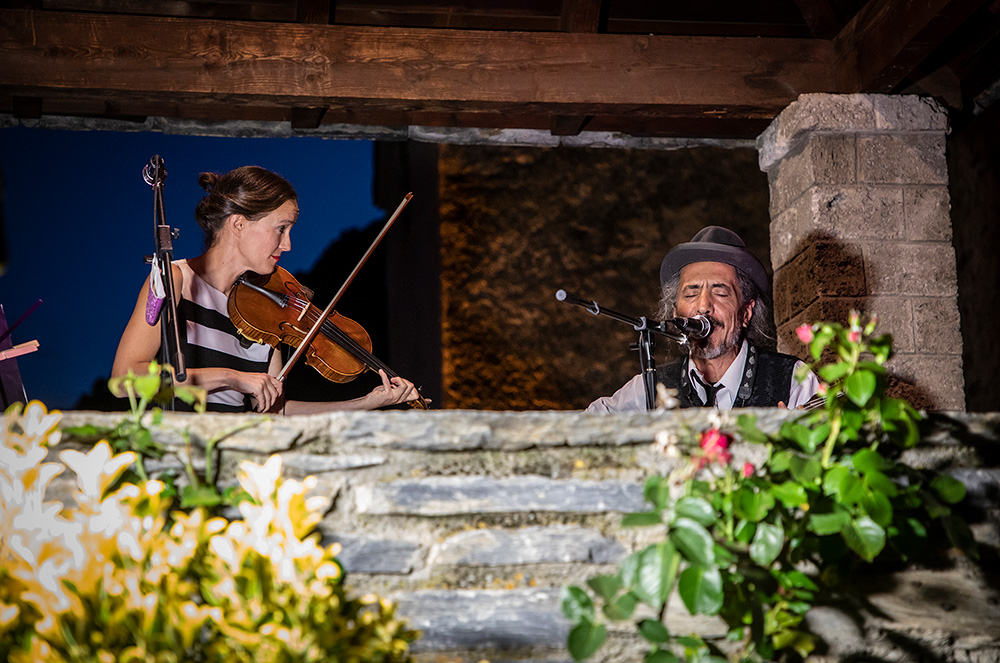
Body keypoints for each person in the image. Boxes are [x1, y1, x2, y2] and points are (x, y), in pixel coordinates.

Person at [112, 165, 421, 414]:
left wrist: (364, 403)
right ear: (238, 225)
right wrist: (231, 377)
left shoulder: (267, 309)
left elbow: (275, 413)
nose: (287, 245)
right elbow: (124, 380)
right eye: (280, 229)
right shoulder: (175, 278)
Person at [587, 226, 819, 412]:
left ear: (746, 313)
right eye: (691, 293)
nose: (703, 306)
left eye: (720, 292)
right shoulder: (650, 388)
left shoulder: (792, 378)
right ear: (676, 313)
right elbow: (582, 433)